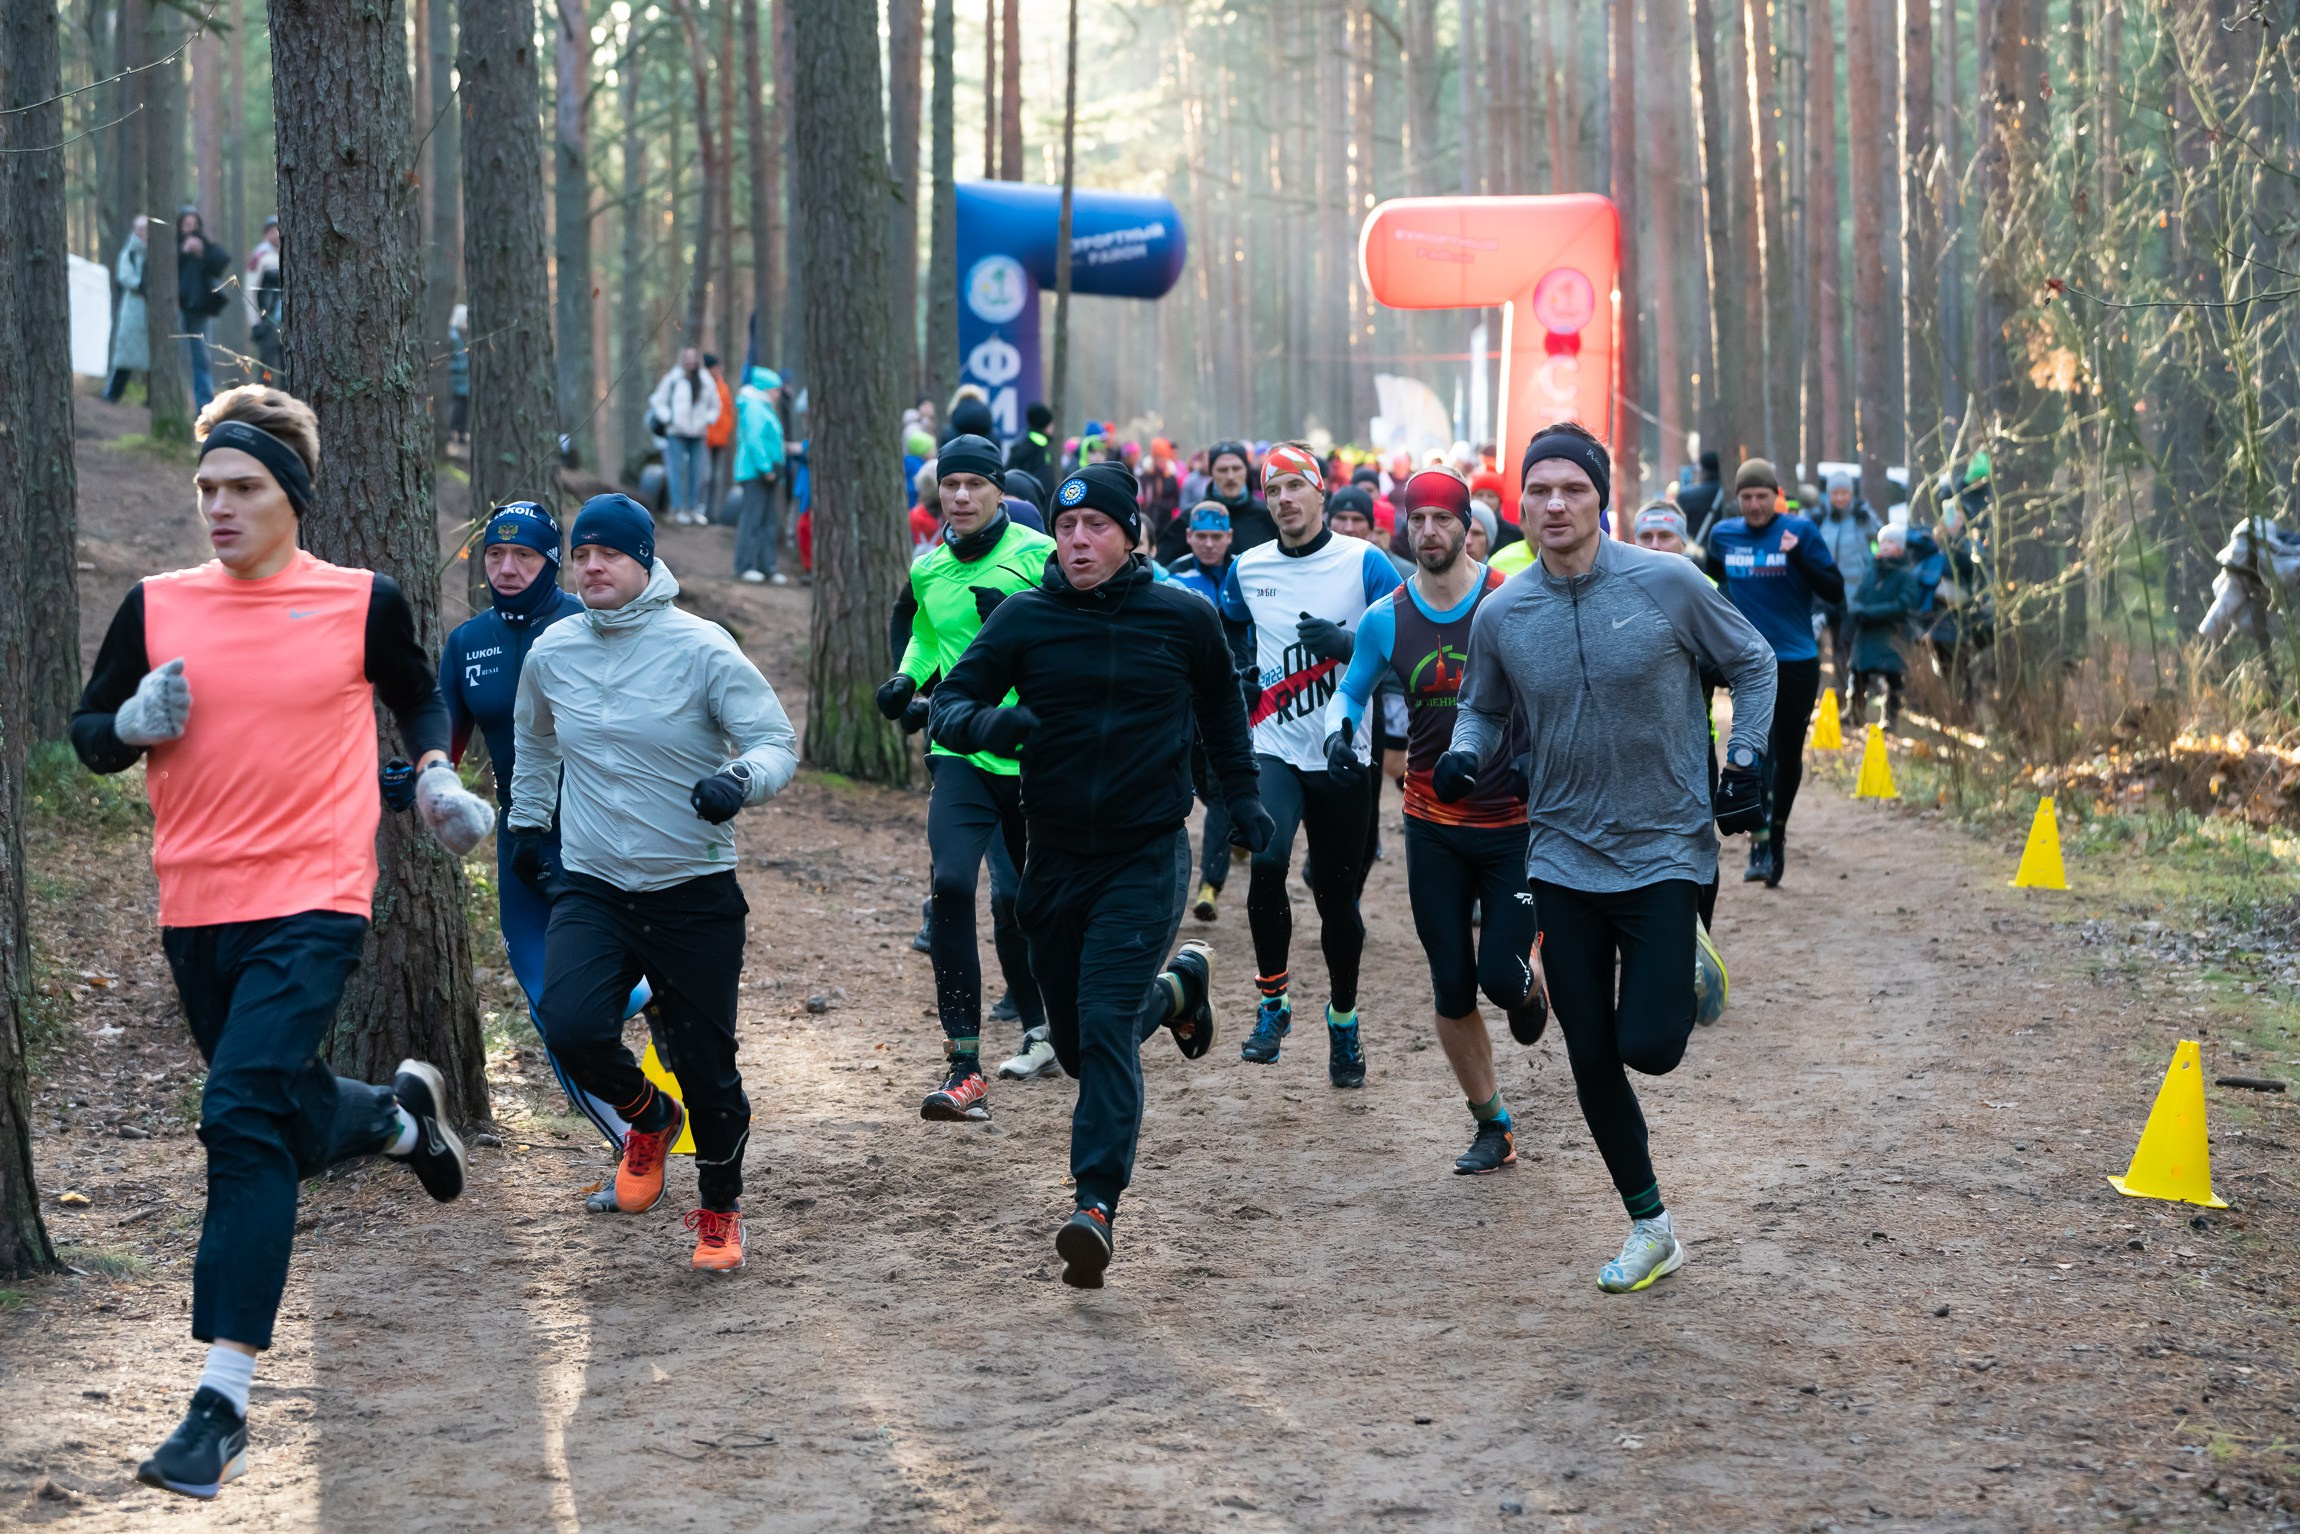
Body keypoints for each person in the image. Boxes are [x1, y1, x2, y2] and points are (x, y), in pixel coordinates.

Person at [70, 385, 490, 1498]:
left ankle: (220, 1404)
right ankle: (396, 1119)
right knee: (274, 1109)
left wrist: (436, 776)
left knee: (237, 1115)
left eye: (243, 488)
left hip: (315, 897)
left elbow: (418, 694)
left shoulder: (358, 600)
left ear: (291, 498)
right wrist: (128, 725)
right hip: (195, 907)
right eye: (206, 486)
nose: (219, 505)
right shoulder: (156, 606)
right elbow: (87, 733)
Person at [1444, 421, 1776, 1293]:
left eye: (1574, 489)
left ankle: (1687, 957)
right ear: (1520, 504)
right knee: (1589, 1052)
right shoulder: (1502, 612)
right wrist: (1465, 753)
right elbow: (1482, 706)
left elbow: (1753, 661)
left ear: (1602, 499)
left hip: (1666, 846)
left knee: (1651, 1048)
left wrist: (1746, 760)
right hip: (1560, 851)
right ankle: (1650, 1226)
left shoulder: (1667, 582)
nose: (1556, 505)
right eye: (1540, 491)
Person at [932, 461, 1270, 1287]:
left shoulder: (1182, 617)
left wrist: (1243, 798)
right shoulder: (1025, 617)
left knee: (1107, 1024)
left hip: (1145, 854)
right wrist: (989, 723)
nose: (1078, 541)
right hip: (1052, 857)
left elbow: (1222, 711)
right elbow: (949, 704)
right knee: (1078, 1044)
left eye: (1097, 526)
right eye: (1066, 527)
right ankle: (1179, 992)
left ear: (1131, 535)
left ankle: (1094, 1208)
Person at [509, 494, 799, 1273]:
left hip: (691, 887)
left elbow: (775, 741)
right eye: (581, 555)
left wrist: (739, 781)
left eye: (609, 553)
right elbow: (534, 741)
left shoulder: (700, 647)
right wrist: (529, 826)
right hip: (595, 883)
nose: (592, 566)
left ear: (644, 560)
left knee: (709, 1069)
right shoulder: (553, 651)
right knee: (571, 1027)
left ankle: (720, 1210)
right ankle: (649, 1117)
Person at [1326, 467, 1549, 1175]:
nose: (1428, 531)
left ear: (1466, 527)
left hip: (1514, 823)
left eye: (1442, 519)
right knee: (1452, 984)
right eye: (1417, 519)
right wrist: (1338, 735)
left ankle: (1529, 984)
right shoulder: (1385, 617)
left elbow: (1552, 691)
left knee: (1501, 981)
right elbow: (1350, 692)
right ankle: (1493, 1125)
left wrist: (1536, 761)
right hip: (1431, 822)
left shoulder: (1510, 599)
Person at [436, 501, 651, 1186]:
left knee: (617, 984)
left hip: (607, 834)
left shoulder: (592, 622)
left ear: (551, 561)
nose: (506, 568)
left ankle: (653, 1000)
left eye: (523, 555)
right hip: (524, 846)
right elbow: (442, 746)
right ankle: (632, 1142)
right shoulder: (468, 643)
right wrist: (414, 777)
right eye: (494, 555)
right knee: (553, 1007)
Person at [875, 435, 1056, 1108]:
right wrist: (907, 678)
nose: (960, 495)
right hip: (961, 751)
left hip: (1037, 759)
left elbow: (1074, 629)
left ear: (998, 490)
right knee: (951, 884)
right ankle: (964, 1064)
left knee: (1031, 905)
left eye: (974, 484)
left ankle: (1055, 1024)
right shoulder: (929, 568)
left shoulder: (1040, 556)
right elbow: (927, 632)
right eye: (950, 484)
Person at [1218, 441, 1403, 1084]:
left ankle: (1343, 1020)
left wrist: (1347, 643)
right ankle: (1273, 1004)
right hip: (1273, 744)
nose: (1283, 500)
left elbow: (1407, 642)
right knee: (1267, 862)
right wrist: (1241, 675)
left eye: (1295, 486)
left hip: (1343, 750)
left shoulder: (1364, 561)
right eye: (1272, 491)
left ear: (1320, 492)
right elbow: (1228, 625)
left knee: (1336, 896)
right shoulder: (1248, 567)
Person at [1702, 457, 1843, 887]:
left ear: (1776, 496)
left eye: (1762, 496)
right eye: (1746, 497)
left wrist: (1797, 556)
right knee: (1752, 750)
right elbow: (1715, 580)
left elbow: (1834, 589)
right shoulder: (1723, 535)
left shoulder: (1800, 532)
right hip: (1748, 664)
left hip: (1796, 660)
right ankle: (1759, 841)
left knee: (1787, 753)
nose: (1754, 505)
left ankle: (1777, 833)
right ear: (1737, 499)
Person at [1167, 502, 1238, 920]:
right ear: (1189, 537)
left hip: (1235, 696)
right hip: (1187, 700)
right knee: (1201, 790)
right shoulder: (1173, 576)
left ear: (1229, 537)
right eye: (1202, 537)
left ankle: (1209, 884)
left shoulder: (1245, 573)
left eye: (1217, 537)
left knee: (1223, 790)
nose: (1209, 544)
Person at [1847, 523, 1924, 729]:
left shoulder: (1906, 575)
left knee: (1893, 677)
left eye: (1891, 542)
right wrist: (1858, 610)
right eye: (1883, 542)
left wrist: (1871, 613)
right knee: (1858, 673)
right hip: (1866, 631)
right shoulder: (1871, 570)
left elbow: (1903, 605)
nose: (1885, 546)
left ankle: (1890, 718)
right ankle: (1855, 713)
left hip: (1892, 633)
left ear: (1900, 547)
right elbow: (1858, 596)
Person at [1813, 471, 1881, 691]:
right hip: (1826, 592)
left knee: (1846, 641)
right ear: (1828, 494)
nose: (1840, 498)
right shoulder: (1820, 518)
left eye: (1844, 493)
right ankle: (1834, 688)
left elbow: (1880, 541)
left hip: (1855, 591)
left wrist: (1872, 571)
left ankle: (1847, 689)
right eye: (1835, 493)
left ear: (1851, 494)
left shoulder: (1863, 516)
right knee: (1829, 641)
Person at [648, 346, 720, 525]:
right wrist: (668, 418)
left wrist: (707, 419)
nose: (690, 361)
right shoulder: (673, 379)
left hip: (698, 433)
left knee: (698, 472)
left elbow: (715, 405)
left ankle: (694, 509)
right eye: (687, 357)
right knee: (677, 470)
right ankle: (678, 508)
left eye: (693, 357)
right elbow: (657, 401)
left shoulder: (706, 380)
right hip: (676, 432)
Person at [733, 366, 787, 583]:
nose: (778, 394)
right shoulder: (754, 407)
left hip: (767, 472)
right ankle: (746, 566)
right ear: (766, 389)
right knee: (753, 520)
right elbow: (755, 440)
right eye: (776, 389)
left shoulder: (763, 407)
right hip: (756, 473)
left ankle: (767, 566)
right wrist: (765, 468)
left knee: (768, 521)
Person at [175, 208, 232, 412]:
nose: (191, 229)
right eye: (186, 225)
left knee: (201, 356)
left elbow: (221, 262)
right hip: (177, 307)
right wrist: (183, 252)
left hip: (200, 309)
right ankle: (179, 400)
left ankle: (204, 404)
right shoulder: (173, 247)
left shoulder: (206, 246)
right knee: (178, 354)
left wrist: (202, 253)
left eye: (194, 224)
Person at [1204, 439, 1281, 552]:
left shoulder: (1267, 515)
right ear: (1211, 473)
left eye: (1236, 468)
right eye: (1222, 470)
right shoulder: (1193, 517)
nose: (1230, 476)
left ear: (1246, 470)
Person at [104, 218, 149, 403]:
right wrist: (142, 285)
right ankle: (113, 394)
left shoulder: (154, 253)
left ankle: (152, 398)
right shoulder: (128, 253)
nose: (141, 232)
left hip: (149, 310)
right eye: (139, 228)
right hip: (132, 308)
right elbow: (125, 276)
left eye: (145, 228)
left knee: (152, 358)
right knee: (125, 355)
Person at [244, 216, 283, 385]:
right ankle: (264, 397)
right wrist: (255, 322)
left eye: (278, 230)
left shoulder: (289, 253)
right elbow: (250, 290)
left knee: (286, 365)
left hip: (286, 320)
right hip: (267, 319)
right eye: (272, 231)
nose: (276, 234)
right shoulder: (259, 256)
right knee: (267, 365)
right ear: (265, 234)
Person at [702, 354, 738, 523]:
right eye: (716, 367)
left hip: (720, 440)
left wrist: (726, 432)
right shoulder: (702, 385)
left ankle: (712, 512)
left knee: (716, 478)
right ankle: (700, 509)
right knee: (705, 477)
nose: (719, 370)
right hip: (704, 439)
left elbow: (728, 412)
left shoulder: (723, 386)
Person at [1680, 449, 1725, 546]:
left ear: (1702, 469)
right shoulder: (1727, 493)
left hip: (1698, 550)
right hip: (1722, 548)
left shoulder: (1686, 497)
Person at [1005, 401, 1054, 483]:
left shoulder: (1022, 444)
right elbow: (1044, 478)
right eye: (1050, 424)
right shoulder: (1038, 446)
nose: (1052, 427)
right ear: (1044, 424)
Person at [447, 304, 470, 445]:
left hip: (462, 381)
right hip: (457, 380)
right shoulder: (454, 336)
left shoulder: (458, 335)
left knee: (462, 407)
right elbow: (460, 360)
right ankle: (455, 432)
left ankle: (460, 432)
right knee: (458, 406)